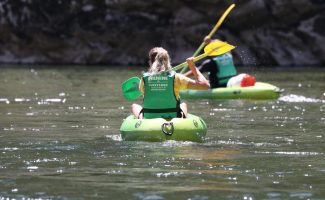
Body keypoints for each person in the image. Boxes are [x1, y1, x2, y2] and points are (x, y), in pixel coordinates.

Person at [132, 47, 210, 119]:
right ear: (168, 60)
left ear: (151, 62)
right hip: (173, 116)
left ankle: (141, 121)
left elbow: (148, 95)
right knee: (183, 104)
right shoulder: (177, 77)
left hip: (150, 117)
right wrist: (192, 66)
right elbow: (205, 86)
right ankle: (182, 121)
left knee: (134, 106)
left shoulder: (144, 79)